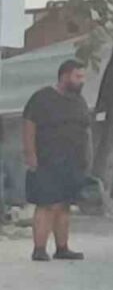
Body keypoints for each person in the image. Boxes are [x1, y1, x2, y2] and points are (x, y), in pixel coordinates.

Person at [23, 59, 92, 262]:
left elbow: (86, 130)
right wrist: (30, 154)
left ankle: (62, 248)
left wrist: (88, 157)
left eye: (83, 77)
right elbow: (28, 124)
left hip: (73, 163)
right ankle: (39, 250)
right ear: (65, 76)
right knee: (46, 204)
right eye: (78, 76)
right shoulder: (42, 98)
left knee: (64, 205)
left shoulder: (79, 101)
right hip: (46, 161)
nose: (82, 81)